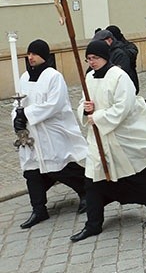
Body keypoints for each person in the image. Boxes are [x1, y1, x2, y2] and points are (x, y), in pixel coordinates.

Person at [70, 40, 146, 242]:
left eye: (95, 58)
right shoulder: (89, 78)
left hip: (122, 138)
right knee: (92, 181)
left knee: (135, 178)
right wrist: (85, 111)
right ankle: (93, 224)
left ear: (105, 57)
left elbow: (124, 107)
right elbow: (81, 104)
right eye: (88, 59)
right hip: (98, 138)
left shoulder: (120, 77)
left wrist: (98, 117)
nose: (91, 62)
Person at [12, 39, 87, 229]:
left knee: (60, 166)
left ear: (44, 56)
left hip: (51, 131)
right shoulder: (23, 78)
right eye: (28, 54)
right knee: (31, 170)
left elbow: (54, 104)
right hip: (32, 134)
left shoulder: (53, 76)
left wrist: (26, 114)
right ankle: (38, 209)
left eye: (34, 54)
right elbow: (17, 103)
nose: (30, 57)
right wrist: (17, 117)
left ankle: (87, 191)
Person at [92, 29, 140, 93]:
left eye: (100, 42)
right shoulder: (102, 53)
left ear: (109, 40)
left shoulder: (119, 53)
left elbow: (120, 73)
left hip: (119, 89)